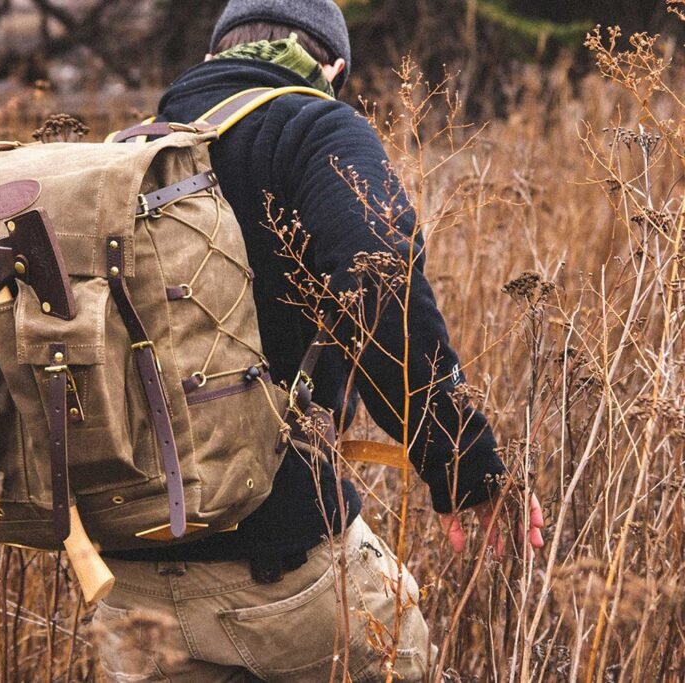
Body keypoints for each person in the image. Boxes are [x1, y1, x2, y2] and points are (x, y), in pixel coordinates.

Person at [93, 1, 546, 681]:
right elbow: (380, 286)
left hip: (126, 583)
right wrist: (467, 468)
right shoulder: (311, 123)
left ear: (218, 53)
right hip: (285, 574)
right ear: (330, 65)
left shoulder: (119, 158)